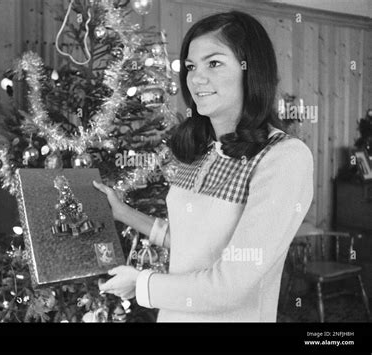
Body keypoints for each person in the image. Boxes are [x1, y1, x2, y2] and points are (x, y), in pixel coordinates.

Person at [93, 10, 313, 322]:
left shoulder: (284, 158)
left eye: (214, 63)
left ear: (251, 70)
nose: (196, 78)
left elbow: (231, 285)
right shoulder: (201, 150)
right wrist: (122, 212)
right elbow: (192, 241)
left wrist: (141, 284)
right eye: (191, 66)